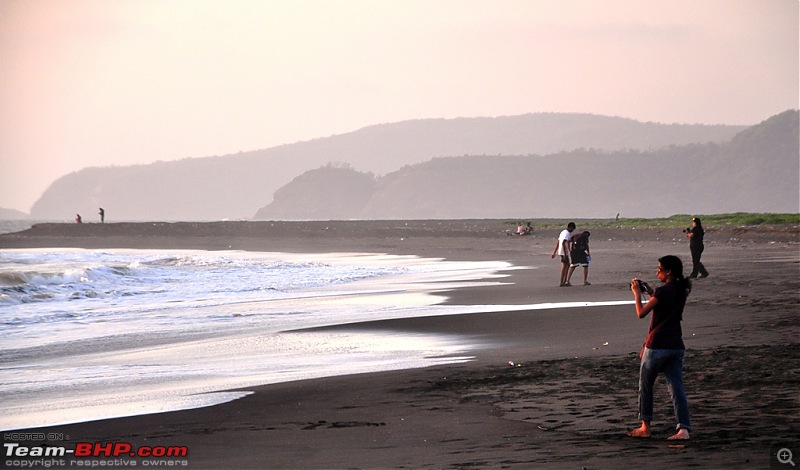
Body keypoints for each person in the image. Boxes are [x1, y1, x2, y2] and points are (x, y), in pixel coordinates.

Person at [628, 255, 692, 440]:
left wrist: (637, 294)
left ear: (669, 271)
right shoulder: (682, 290)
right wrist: (651, 292)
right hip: (676, 345)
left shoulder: (663, 292)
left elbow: (641, 313)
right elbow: (665, 305)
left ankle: (645, 426)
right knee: (676, 387)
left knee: (646, 385)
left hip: (657, 346)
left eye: (659, 269)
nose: (657, 272)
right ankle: (683, 429)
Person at [551, 222, 575, 286]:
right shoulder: (567, 233)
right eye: (572, 229)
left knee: (566, 265)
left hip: (560, 252)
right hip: (563, 252)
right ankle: (563, 282)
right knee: (565, 266)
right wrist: (565, 254)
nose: (572, 231)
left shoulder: (562, 232)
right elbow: (563, 243)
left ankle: (564, 281)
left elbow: (558, 242)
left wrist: (554, 252)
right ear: (571, 227)